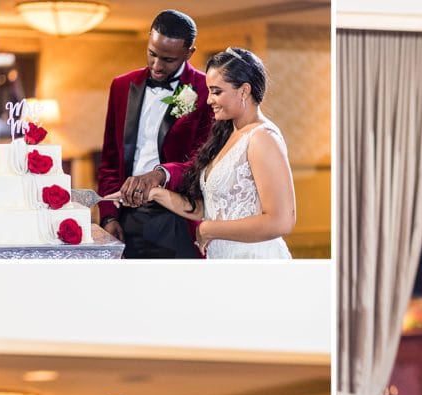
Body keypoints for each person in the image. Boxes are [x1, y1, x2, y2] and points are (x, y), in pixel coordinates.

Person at [144, 48, 296, 258]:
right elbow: (212, 209)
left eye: (216, 92)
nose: (208, 100)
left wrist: (208, 229)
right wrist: (153, 193)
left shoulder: (262, 137)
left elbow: (282, 221)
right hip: (224, 259)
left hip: (253, 261)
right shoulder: (228, 134)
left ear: (244, 91)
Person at [97, 9, 214, 259]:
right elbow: (110, 158)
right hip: (126, 215)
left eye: (168, 60)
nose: (157, 66)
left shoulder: (206, 90)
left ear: (189, 52)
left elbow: (204, 162)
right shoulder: (121, 86)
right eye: (152, 54)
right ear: (149, 38)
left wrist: (160, 175)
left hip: (177, 217)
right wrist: (108, 215)